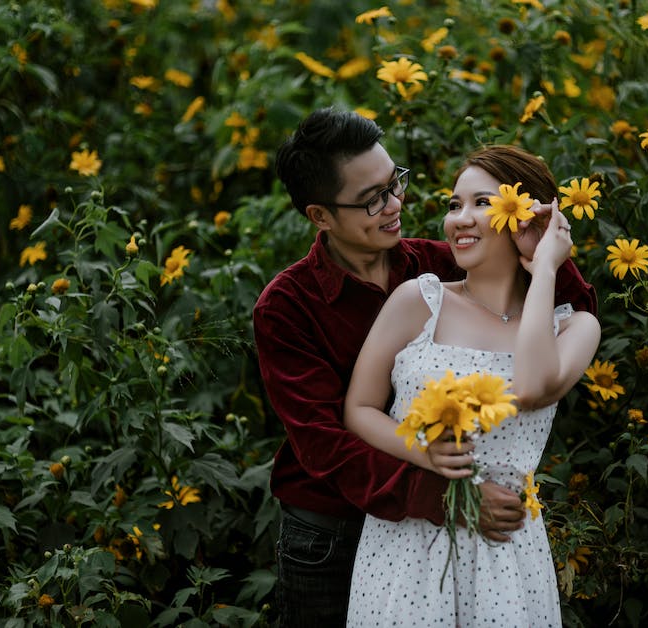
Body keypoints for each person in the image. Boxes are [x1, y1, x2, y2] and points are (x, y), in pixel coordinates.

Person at [252, 108, 596, 627]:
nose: (394, 206)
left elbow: (564, 304)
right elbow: (325, 440)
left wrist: (543, 249)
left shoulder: (439, 262)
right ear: (321, 216)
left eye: (395, 185)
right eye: (372, 200)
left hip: (476, 530)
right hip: (333, 534)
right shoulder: (286, 306)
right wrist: (444, 495)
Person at [343, 145, 602, 627]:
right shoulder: (417, 301)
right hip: (408, 545)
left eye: (483, 203)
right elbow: (358, 409)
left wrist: (545, 267)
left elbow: (528, 386)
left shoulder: (574, 328)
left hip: (505, 552)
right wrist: (424, 454)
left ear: (528, 218)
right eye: (453, 204)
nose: (460, 219)